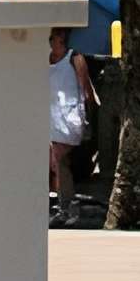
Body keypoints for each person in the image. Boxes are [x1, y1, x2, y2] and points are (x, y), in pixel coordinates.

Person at [46, 26, 97, 227]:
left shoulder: (74, 58)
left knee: (58, 159)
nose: (52, 40)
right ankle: (64, 205)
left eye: (55, 36)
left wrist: (89, 120)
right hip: (51, 116)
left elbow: (86, 89)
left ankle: (68, 207)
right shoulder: (46, 58)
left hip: (70, 117)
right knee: (54, 163)